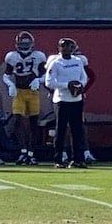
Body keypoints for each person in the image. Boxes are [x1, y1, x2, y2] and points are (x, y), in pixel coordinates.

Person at [43, 37, 90, 167]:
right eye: (62, 46)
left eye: (68, 46)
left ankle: (78, 159)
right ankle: (58, 159)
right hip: (62, 100)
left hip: (76, 99)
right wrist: (66, 85)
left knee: (77, 129)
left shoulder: (78, 61)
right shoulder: (56, 62)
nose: (65, 48)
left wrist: (80, 86)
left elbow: (84, 77)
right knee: (61, 129)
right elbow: (49, 82)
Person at [2, 30, 47, 164]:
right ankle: (22, 151)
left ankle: (31, 153)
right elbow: (6, 75)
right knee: (17, 121)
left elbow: (46, 76)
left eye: (26, 43)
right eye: (22, 43)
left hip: (33, 92)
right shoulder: (12, 56)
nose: (24, 46)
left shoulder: (39, 56)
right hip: (19, 92)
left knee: (34, 123)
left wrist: (38, 80)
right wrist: (10, 84)